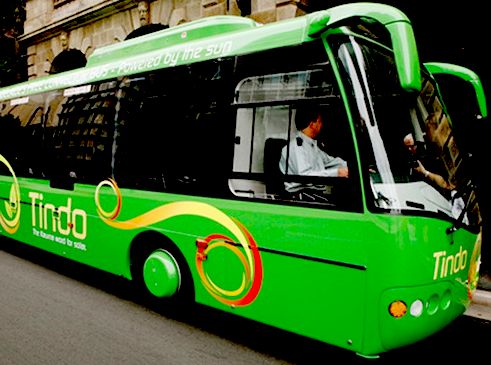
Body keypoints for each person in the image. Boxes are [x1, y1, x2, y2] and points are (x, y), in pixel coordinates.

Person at [279, 108, 348, 196]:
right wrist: (337, 173)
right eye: (319, 122)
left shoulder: (311, 145)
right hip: (301, 196)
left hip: (314, 193)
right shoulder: (297, 147)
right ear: (312, 124)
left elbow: (330, 162)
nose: (321, 124)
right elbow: (306, 176)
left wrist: (354, 168)